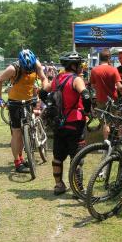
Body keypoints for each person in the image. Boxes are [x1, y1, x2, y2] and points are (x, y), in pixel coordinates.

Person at [39, 52, 91, 195]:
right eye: (79, 64)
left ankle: (59, 185)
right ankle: (78, 189)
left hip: (59, 123)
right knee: (77, 157)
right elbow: (86, 95)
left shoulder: (56, 79)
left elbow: (42, 93)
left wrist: (50, 106)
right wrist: (87, 110)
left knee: (58, 157)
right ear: (73, 65)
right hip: (75, 122)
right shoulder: (76, 79)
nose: (81, 67)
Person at [0, 49, 49, 173]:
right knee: (17, 132)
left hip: (30, 100)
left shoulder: (36, 65)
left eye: (29, 70)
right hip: (14, 102)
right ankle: (17, 162)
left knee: (28, 127)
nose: (27, 72)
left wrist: (44, 89)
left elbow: (44, 78)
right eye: (26, 70)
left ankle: (24, 154)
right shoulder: (13, 68)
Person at [90, 48, 122, 139]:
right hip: (113, 99)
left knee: (105, 123)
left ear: (100, 58)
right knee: (118, 121)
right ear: (109, 58)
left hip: (100, 100)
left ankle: (106, 143)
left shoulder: (94, 70)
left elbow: (93, 85)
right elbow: (119, 85)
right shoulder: (113, 70)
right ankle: (119, 141)